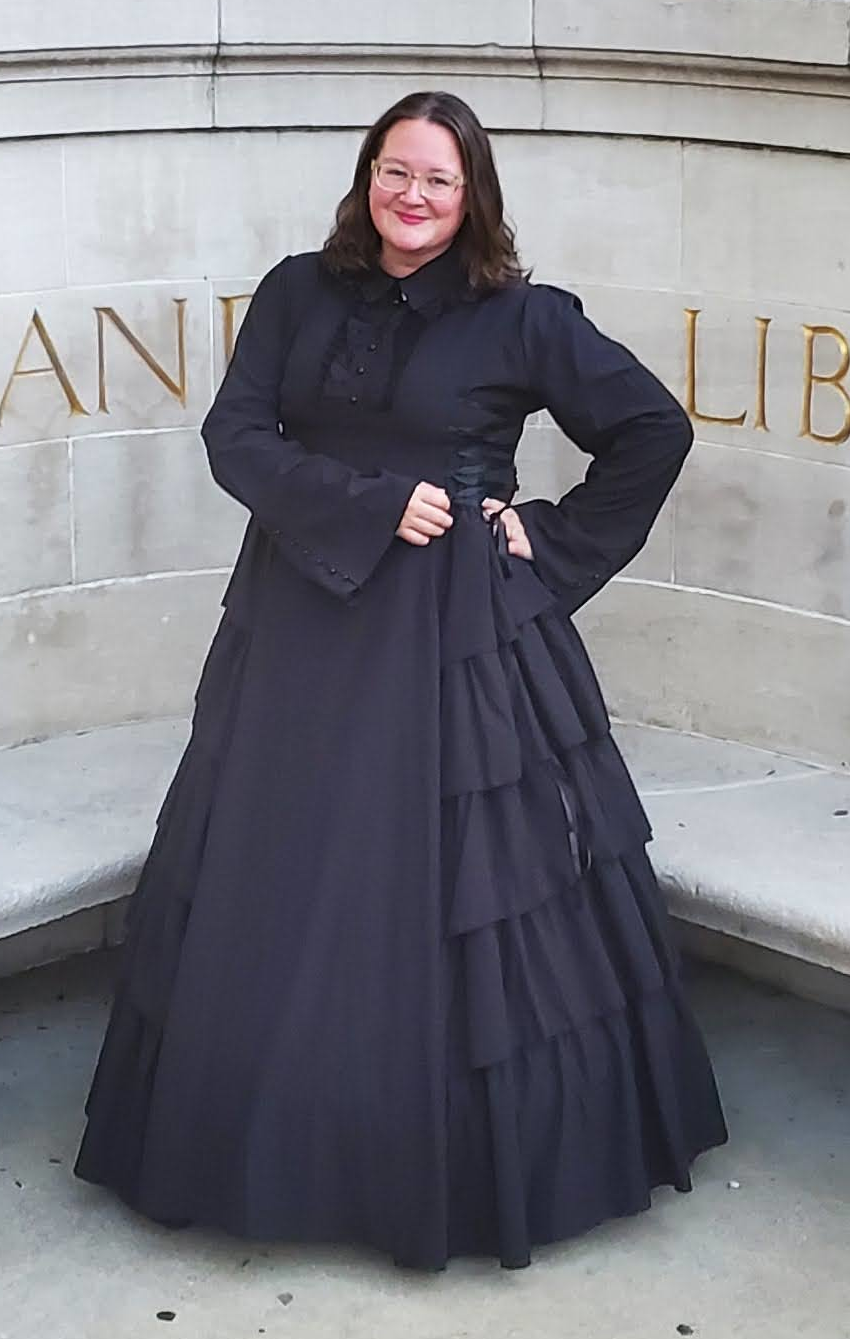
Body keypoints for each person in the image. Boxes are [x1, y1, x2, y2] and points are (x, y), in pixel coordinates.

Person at [74, 90, 727, 1270]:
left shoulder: (522, 318)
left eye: (436, 177)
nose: (410, 195)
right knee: (280, 865)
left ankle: (464, 1161)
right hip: (298, 622)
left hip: (455, 637)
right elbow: (239, 438)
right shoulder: (295, 289)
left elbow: (651, 432)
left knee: (455, 882)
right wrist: (372, 504)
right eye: (392, 170)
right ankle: (264, 1144)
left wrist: (551, 538)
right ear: (364, 176)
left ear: (472, 193)